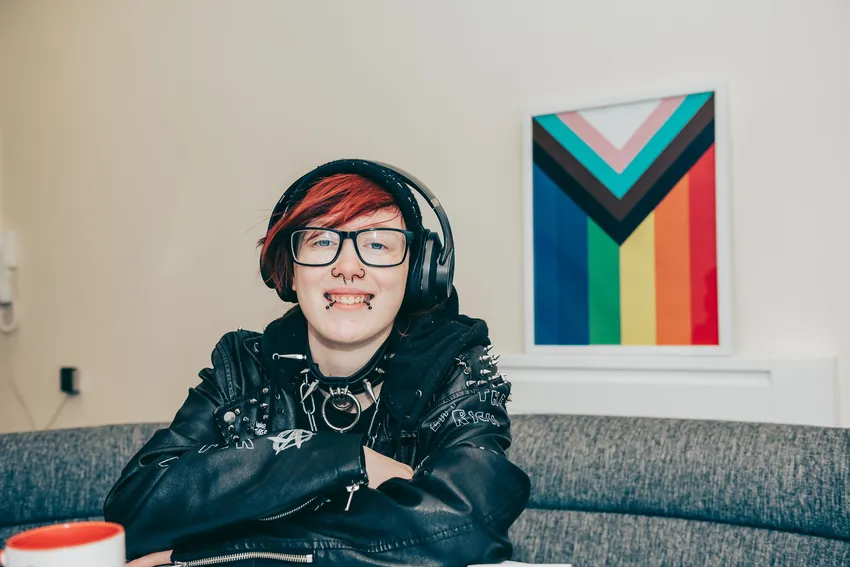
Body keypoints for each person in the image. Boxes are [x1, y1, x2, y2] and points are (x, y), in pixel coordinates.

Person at [104, 159, 531, 567]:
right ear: (289, 270)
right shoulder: (242, 368)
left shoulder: (458, 368)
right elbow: (135, 511)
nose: (348, 268)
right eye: (323, 241)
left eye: (378, 244)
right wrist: (333, 458)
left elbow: (468, 526)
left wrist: (225, 556)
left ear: (418, 272)